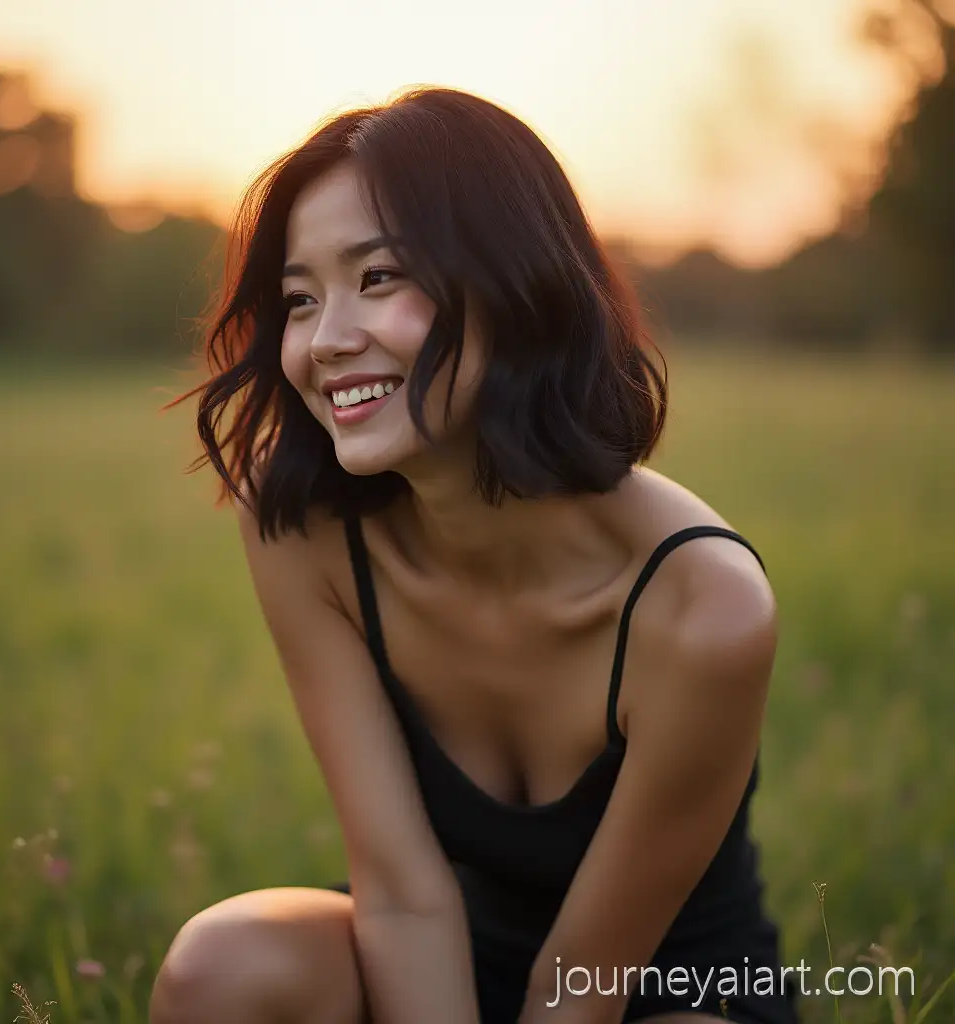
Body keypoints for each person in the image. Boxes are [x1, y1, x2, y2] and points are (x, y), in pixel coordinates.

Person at [149, 86, 800, 1024]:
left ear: (514, 281)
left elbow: (581, 985)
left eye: (378, 279)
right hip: (434, 968)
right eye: (299, 299)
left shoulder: (704, 603)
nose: (327, 341)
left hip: (650, 991)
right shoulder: (298, 523)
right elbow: (401, 887)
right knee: (227, 964)